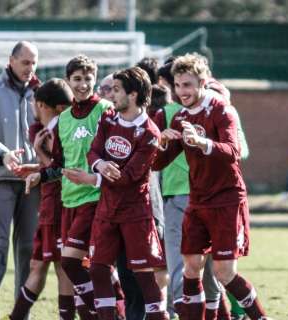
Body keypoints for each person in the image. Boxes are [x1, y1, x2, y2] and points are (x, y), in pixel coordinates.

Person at [153, 53, 268, 319]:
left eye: (188, 85)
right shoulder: (179, 117)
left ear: (203, 83)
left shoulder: (221, 110)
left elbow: (233, 151)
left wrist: (201, 142)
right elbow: (159, 164)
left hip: (226, 199)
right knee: (190, 266)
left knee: (224, 273)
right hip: (198, 200)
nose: (182, 91)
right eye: (178, 85)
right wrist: (161, 143)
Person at [87, 66, 168, 320]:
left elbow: (130, 177)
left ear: (133, 95)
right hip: (107, 210)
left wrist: (96, 177)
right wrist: (100, 164)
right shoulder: (108, 118)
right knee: (98, 269)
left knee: (143, 275)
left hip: (135, 213)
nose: (111, 94)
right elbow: (94, 151)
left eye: (117, 90)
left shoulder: (150, 133)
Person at [0, 41, 41, 320]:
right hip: (0, 179)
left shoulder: (42, 92)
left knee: (28, 248)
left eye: (34, 63)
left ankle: (20, 313)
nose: (30, 68)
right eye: (25, 62)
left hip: (34, 181)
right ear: (11, 61)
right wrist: (4, 156)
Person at [42, 54, 112, 317]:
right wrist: (39, 174)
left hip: (95, 198)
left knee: (72, 262)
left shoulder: (105, 110)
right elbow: (59, 162)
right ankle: (108, 308)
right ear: (69, 81)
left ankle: (109, 311)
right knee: (83, 265)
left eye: (88, 79)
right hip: (68, 200)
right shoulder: (64, 120)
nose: (83, 84)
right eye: (77, 79)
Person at [2, 78, 77, 320]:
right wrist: (35, 167)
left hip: (61, 206)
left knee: (62, 268)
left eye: (35, 102)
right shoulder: (47, 127)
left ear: (43, 104)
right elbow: (52, 167)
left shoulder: (58, 130)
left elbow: (61, 169)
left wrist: (41, 154)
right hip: (48, 206)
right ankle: (17, 316)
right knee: (39, 265)